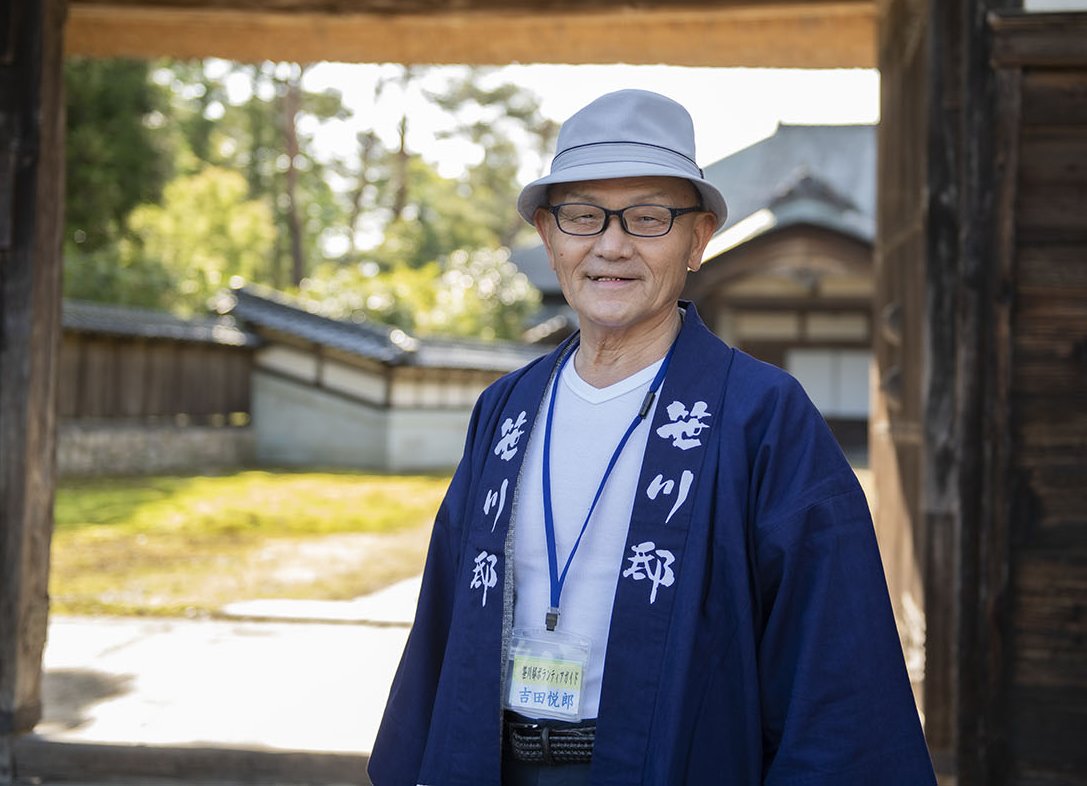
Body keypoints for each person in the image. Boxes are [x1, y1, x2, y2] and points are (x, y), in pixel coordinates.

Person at [368, 89, 936, 785]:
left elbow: (834, 660)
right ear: (549, 237)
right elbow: (445, 623)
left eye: (647, 217)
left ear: (697, 239)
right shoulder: (505, 409)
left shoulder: (761, 415)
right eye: (583, 216)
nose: (611, 244)